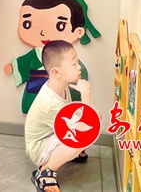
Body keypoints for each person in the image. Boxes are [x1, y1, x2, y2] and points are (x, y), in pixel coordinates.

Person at [25, 40, 93, 192]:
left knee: (93, 119)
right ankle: (44, 172)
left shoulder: (60, 86)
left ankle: (67, 153)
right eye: (74, 63)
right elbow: (85, 129)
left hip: (51, 136)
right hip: (38, 149)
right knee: (83, 136)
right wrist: (86, 95)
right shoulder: (50, 102)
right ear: (56, 72)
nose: (79, 67)